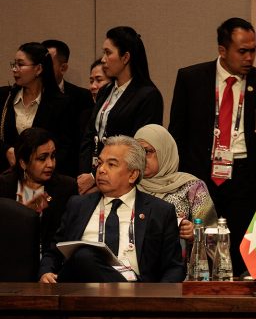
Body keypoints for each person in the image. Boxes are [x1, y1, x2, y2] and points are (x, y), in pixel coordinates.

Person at [168, 17, 256, 276]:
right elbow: (177, 133)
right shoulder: (191, 78)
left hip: (246, 178)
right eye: (242, 51)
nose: (249, 57)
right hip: (202, 178)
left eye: (253, 50)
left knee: (246, 253)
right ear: (222, 50)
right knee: (202, 250)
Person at [39, 135, 184, 283]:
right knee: (84, 256)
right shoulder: (78, 205)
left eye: (111, 165)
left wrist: (157, 301)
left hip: (139, 294)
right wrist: (46, 273)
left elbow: (174, 268)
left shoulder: (160, 211)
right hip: (80, 290)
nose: (101, 170)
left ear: (133, 175)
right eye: (100, 163)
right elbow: (54, 252)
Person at [78, 27, 163, 194]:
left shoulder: (148, 95)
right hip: (93, 173)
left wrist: (96, 177)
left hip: (122, 181)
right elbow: (90, 134)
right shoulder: (106, 91)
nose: (103, 59)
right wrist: (85, 173)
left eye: (108, 53)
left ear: (125, 57)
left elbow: (138, 146)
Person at [0, 42, 77, 175]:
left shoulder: (61, 103)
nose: (14, 69)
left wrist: (41, 165)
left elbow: (66, 147)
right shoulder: (4, 97)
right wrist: (6, 150)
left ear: (39, 69)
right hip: (6, 177)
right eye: (14, 64)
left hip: (46, 179)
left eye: (21, 64)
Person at [134, 124, 217, 243]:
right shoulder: (129, 183)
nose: (141, 158)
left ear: (164, 151)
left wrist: (195, 233)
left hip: (178, 259)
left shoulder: (192, 186)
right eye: (137, 152)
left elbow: (213, 234)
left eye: (147, 151)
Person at [0, 128, 77, 252]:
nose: (50, 164)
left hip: (48, 261)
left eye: (53, 156)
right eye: (42, 158)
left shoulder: (66, 188)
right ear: (23, 163)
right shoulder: (4, 186)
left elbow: (67, 237)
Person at [42, 39, 93, 117]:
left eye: (47, 63)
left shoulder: (82, 97)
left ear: (63, 68)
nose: (40, 68)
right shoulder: (25, 93)